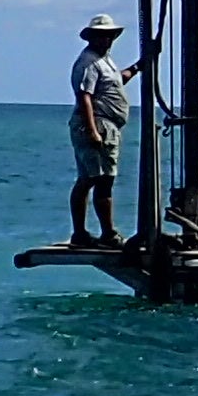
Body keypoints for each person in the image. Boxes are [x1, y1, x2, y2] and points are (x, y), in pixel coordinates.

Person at [67, 13, 131, 244]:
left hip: (107, 124)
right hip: (98, 124)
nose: (107, 40)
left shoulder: (105, 61)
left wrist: (138, 67)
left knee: (96, 178)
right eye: (102, 36)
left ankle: (92, 232)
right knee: (98, 179)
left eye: (109, 36)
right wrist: (93, 130)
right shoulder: (89, 63)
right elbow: (85, 96)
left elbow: (116, 80)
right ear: (92, 37)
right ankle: (104, 233)